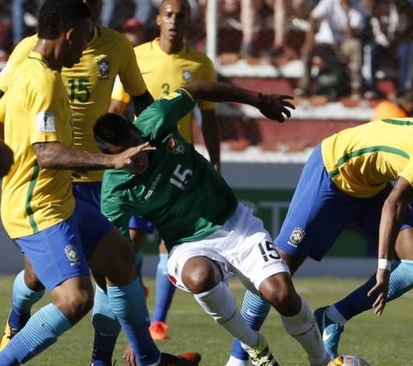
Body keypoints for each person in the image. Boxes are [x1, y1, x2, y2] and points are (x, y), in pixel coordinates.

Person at [0, 1, 200, 366]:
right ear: (71, 34)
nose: (84, 49)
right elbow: (47, 154)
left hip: (65, 197)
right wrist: (113, 159)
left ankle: (145, 360)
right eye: (82, 40)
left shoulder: (48, 69)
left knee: (122, 260)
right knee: (74, 299)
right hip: (38, 205)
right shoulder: (40, 78)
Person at [225, 119, 413, 365]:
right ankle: (238, 358)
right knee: (276, 270)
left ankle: (333, 317)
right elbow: (394, 204)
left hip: (370, 188)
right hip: (333, 171)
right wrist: (383, 268)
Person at [94, 80, 332, 366]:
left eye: (139, 145)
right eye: (129, 156)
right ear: (110, 157)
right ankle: (255, 347)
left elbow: (198, 90)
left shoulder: (155, 120)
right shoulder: (114, 192)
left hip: (235, 223)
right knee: (199, 277)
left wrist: (257, 100)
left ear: (136, 130)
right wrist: (137, 334)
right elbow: (116, 265)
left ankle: (322, 360)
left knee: (282, 294)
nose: (139, 157)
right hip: (187, 244)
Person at [110, 0, 222, 342]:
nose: (174, 21)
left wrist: (216, 163)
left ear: (189, 21)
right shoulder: (136, 56)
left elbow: (210, 117)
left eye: (181, 16)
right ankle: (135, 306)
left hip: (177, 169)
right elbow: (117, 107)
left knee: (170, 244)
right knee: (129, 243)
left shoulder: (200, 63)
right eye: (169, 15)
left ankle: (157, 321)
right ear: (158, 18)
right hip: (141, 168)